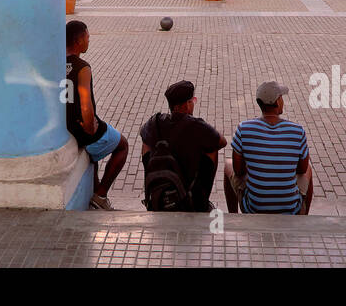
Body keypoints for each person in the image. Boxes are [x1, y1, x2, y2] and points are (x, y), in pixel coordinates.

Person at [65, 20, 128, 210]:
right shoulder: (83, 67)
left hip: (63, 124)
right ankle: (100, 195)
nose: (89, 41)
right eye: (87, 37)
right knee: (122, 145)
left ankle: (95, 192)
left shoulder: (53, 63)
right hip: (80, 127)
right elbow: (86, 102)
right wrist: (90, 126)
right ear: (79, 40)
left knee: (92, 156)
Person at [224, 80, 313, 215]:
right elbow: (301, 169)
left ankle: (233, 215)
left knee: (227, 164)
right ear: (277, 101)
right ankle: (303, 215)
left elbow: (239, 171)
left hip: (253, 208)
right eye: (281, 97)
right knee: (309, 170)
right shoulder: (297, 130)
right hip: (290, 209)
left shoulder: (244, 128)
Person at [140, 80, 226, 212]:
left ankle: (152, 195)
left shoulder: (155, 122)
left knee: (146, 142)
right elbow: (221, 142)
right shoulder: (196, 126)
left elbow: (143, 134)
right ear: (186, 105)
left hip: (161, 186)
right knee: (211, 149)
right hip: (187, 189)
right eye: (193, 101)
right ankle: (201, 201)